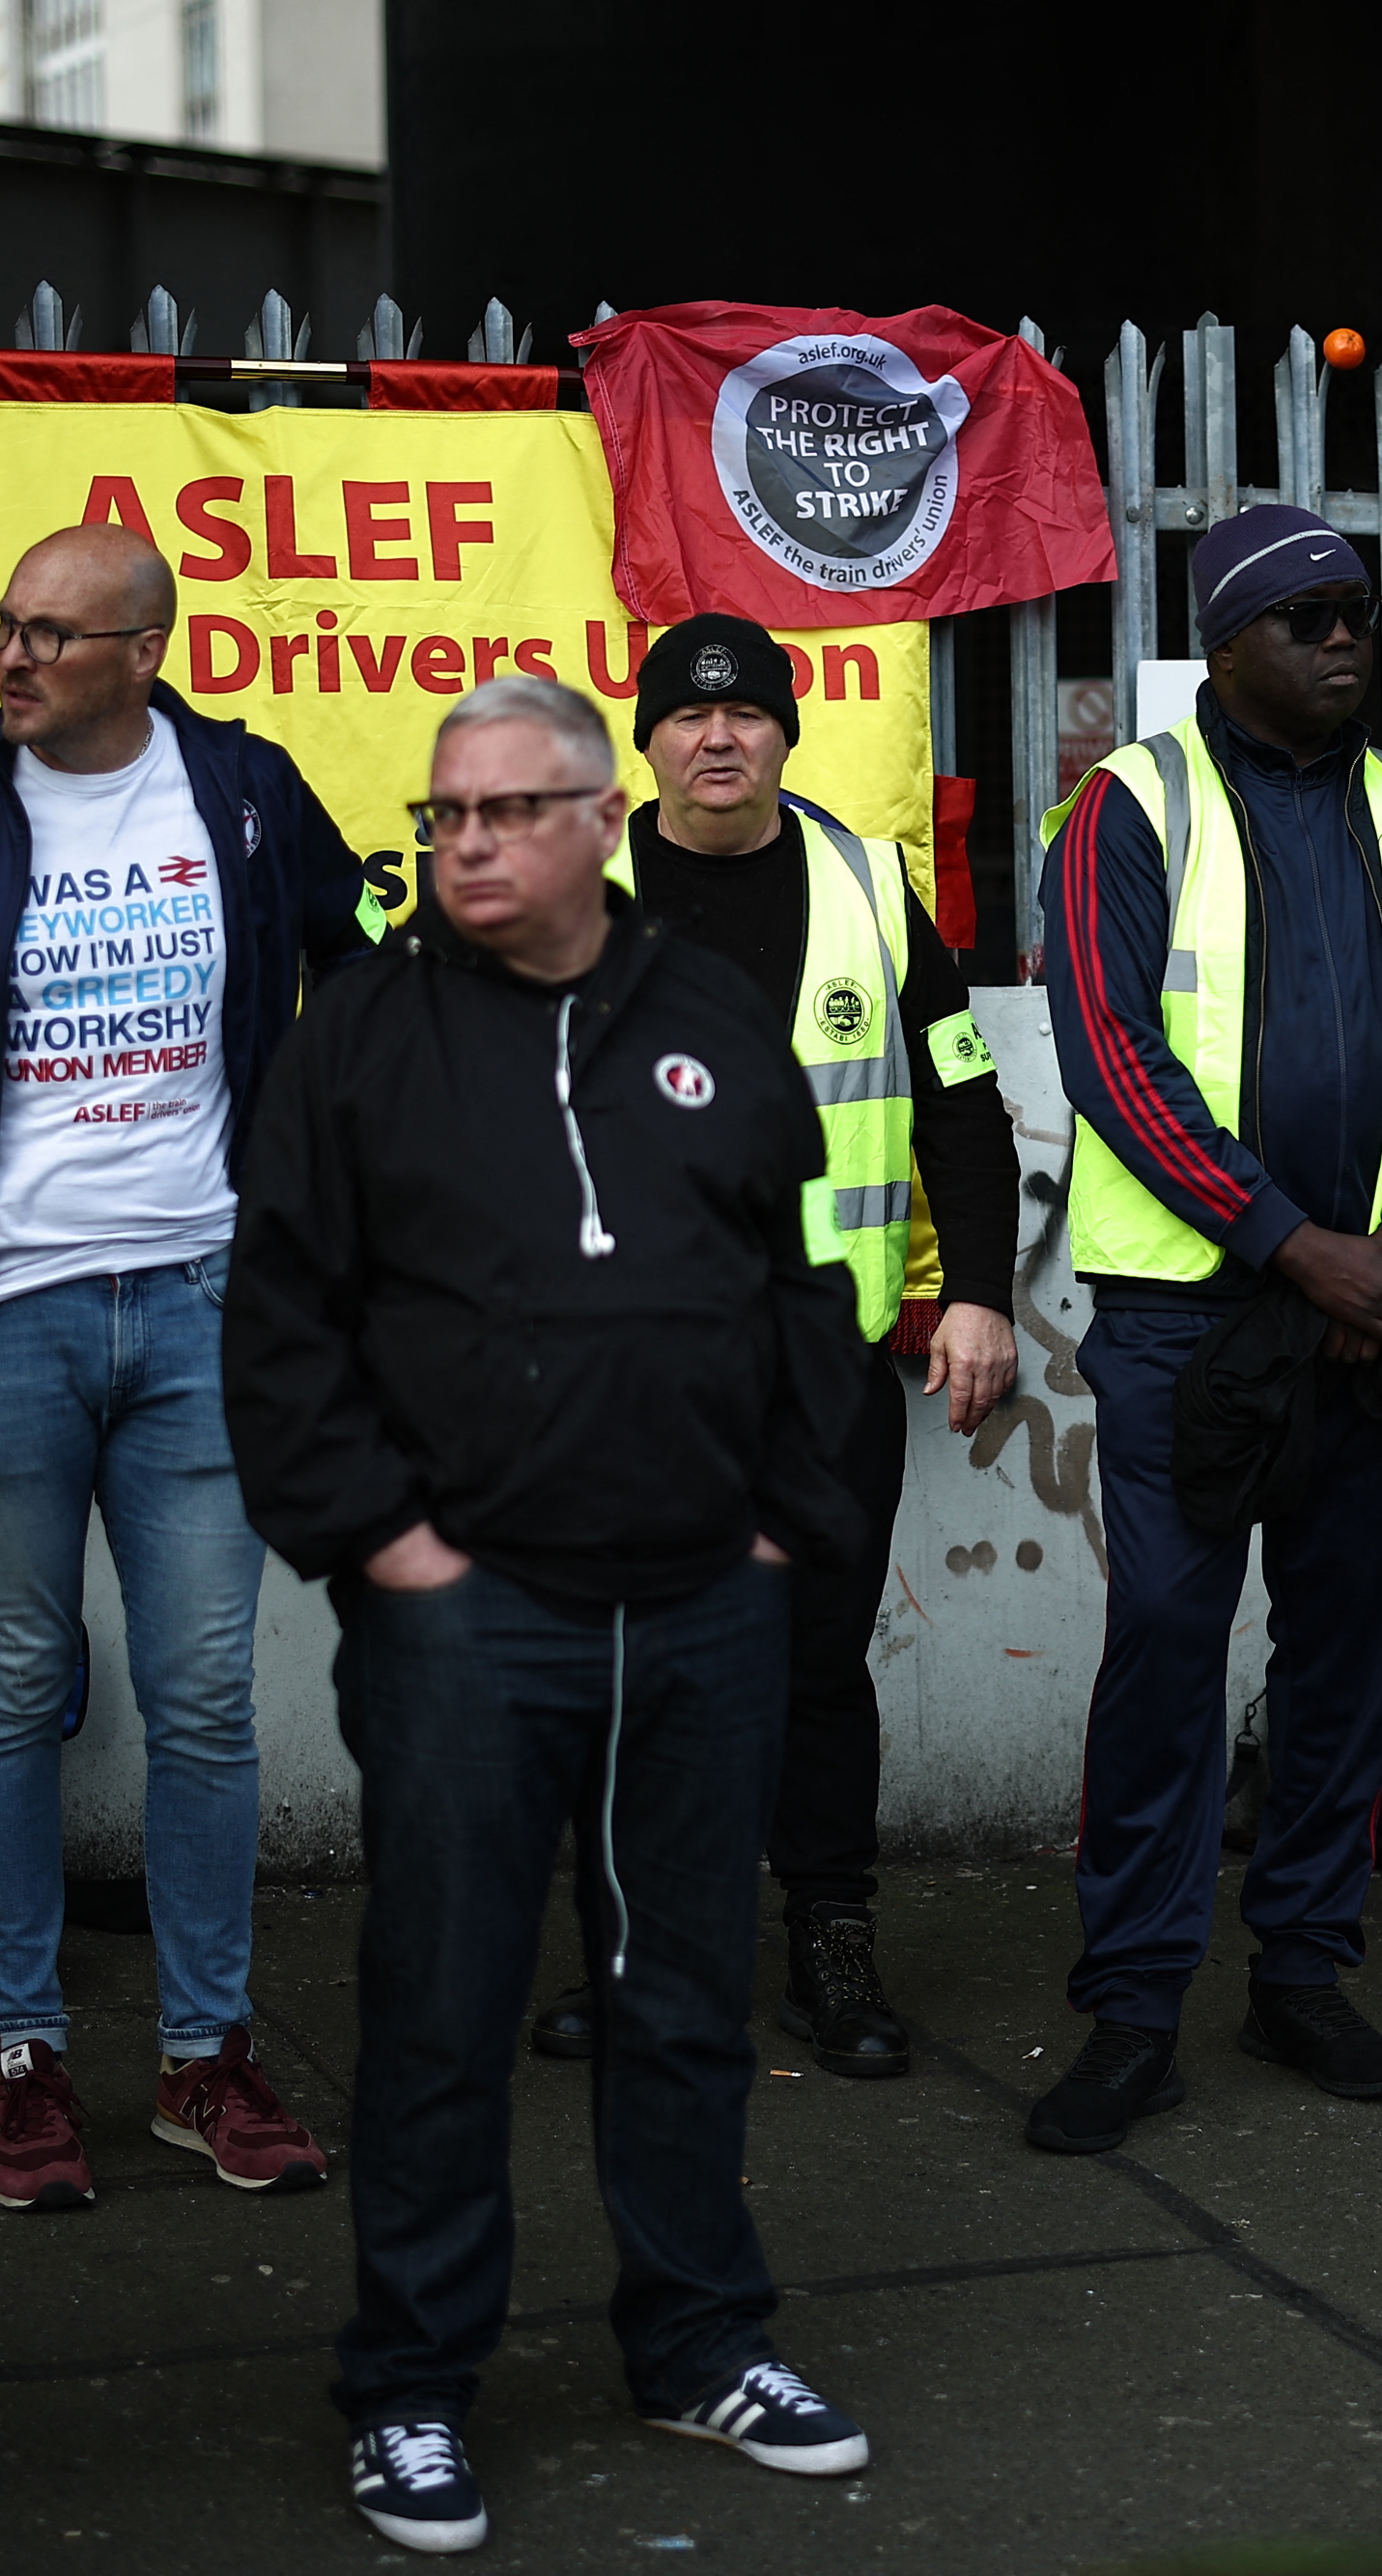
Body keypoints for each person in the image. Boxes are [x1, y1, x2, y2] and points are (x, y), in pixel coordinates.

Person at [224, 674, 876, 2553]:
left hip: (701, 1606)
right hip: (466, 1615)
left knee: (679, 1996)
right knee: (436, 2002)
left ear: (605, 819)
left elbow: (788, 1286)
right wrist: (389, 1549)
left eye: (510, 810)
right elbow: (281, 1322)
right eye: (446, 817)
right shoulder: (354, 1039)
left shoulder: (709, 1018)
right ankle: (411, 2385)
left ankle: (694, 2338)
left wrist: (780, 1531)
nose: (470, 845)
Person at [0, 522, 371, 2212]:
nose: (11, 655)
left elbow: (359, 976)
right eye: (3, 624)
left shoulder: (240, 789)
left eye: (54, 635)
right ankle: (23, 2058)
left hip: (209, 1300)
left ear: (147, 648)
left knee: (207, 1695)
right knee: (7, 1685)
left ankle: (205, 2055)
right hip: (0, 1310)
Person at [1029, 500, 1382, 2154]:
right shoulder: (1127, 809)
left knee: (1348, 1663)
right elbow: (1111, 1054)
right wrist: (1292, 1244)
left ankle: (1305, 1969)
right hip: (1194, 1322)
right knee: (1168, 1659)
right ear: (1225, 644)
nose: (1343, 637)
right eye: (1305, 615)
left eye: (1358, 611)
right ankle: (1133, 2006)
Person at [528, 612, 1022, 2081]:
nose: (718, 736)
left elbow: (957, 1099)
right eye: (688, 714)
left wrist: (981, 1291)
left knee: (816, 1662)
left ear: (788, 731)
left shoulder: (873, 885)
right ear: (648, 736)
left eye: (747, 714)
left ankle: (831, 1938)